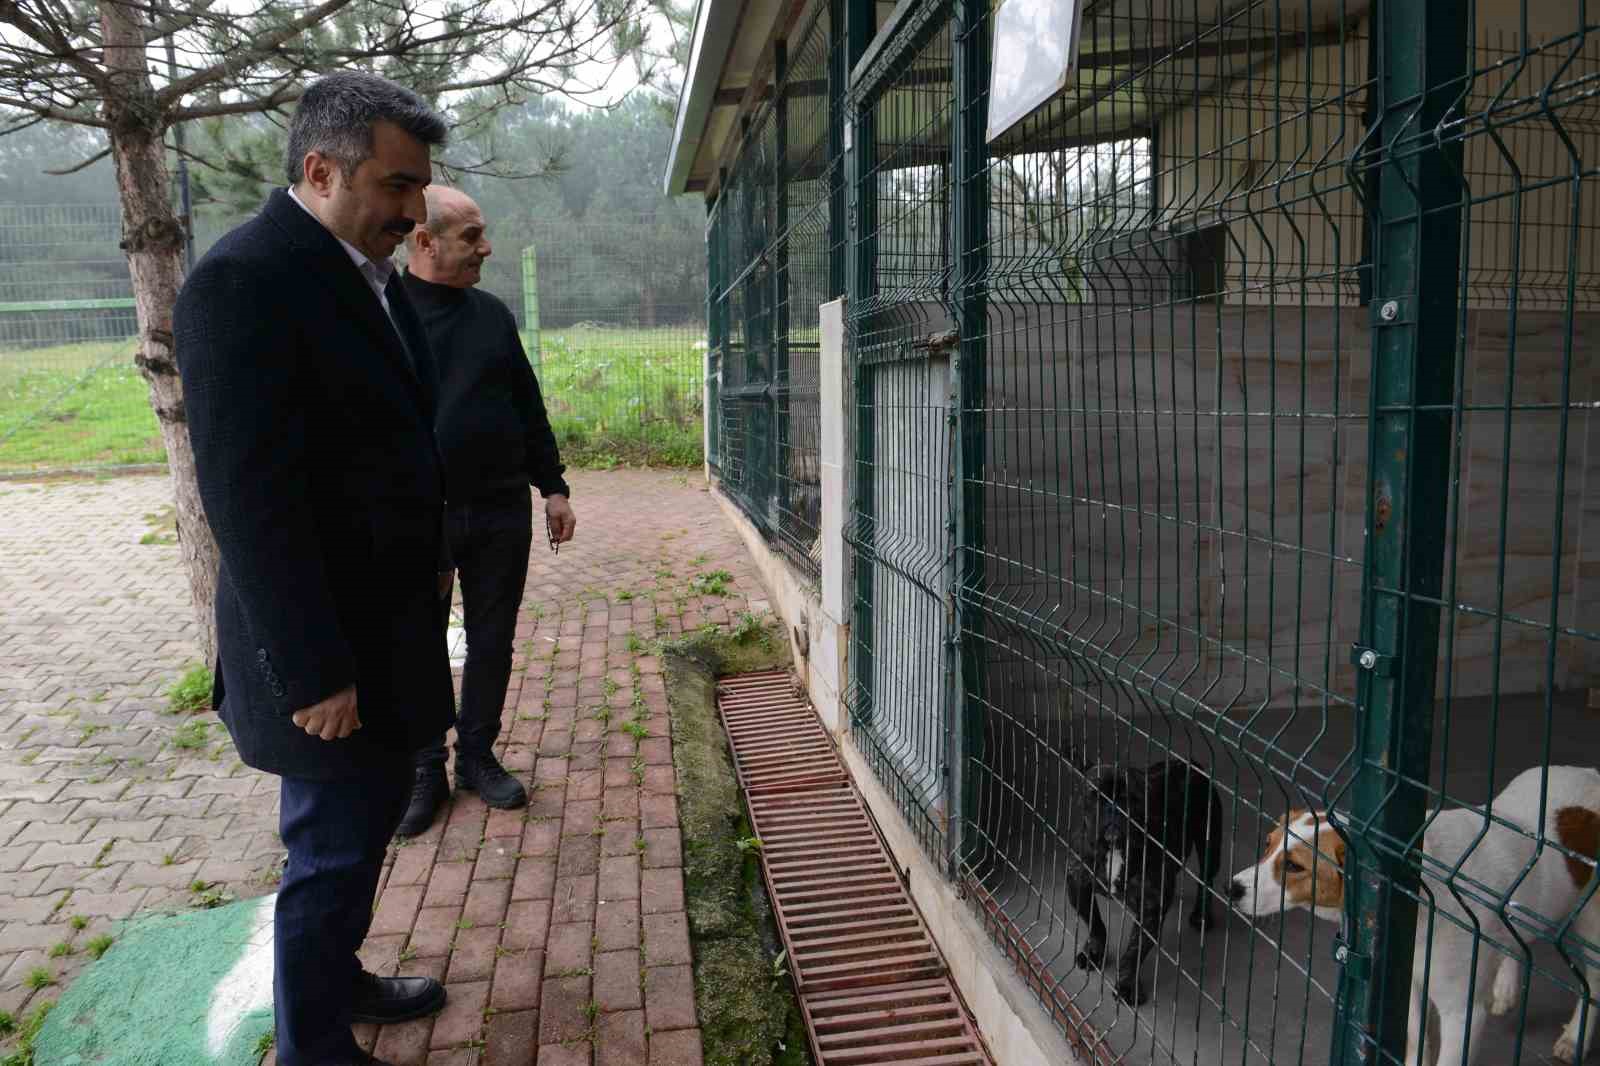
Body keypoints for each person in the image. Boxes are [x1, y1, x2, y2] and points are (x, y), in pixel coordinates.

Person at [175, 71, 455, 1066]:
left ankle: (336, 978)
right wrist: (313, 671)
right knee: (331, 848)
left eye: (420, 186)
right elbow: (250, 501)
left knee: (359, 831)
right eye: (395, 185)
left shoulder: (360, 274)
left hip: (380, 631)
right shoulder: (242, 282)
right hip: (328, 657)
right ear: (321, 168)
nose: (413, 209)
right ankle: (313, 1048)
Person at [394, 185, 577, 837]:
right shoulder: (381, 315)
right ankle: (424, 767)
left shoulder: (491, 315)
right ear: (423, 241)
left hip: (500, 509)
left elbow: (526, 404)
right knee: (416, 643)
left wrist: (552, 485)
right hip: (420, 517)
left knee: (493, 638)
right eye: (471, 236)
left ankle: (475, 756)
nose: (486, 247)